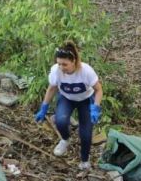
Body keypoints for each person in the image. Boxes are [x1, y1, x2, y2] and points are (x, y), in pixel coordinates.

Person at [34, 41, 103, 170]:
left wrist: (95, 107)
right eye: (59, 63)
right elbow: (52, 89)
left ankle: (84, 160)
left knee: (86, 134)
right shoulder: (56, 71)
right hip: (67, 98)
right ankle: (65, 139)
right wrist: (43, 108)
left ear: (74, 61)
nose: (61, 67)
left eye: (64, 64)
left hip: (86, 100)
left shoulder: (86, 71)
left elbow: (99, 89)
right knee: (60, 121)